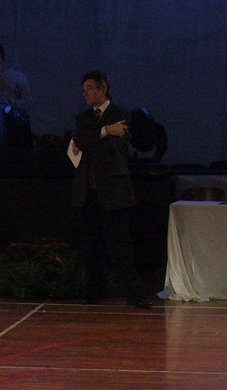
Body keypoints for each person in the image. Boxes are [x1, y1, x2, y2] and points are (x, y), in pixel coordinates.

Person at [71, 70, 151, 309]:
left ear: (102, 89)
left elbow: (115, 146)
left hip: (113, 190)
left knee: (120, 244)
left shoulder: (121, 113)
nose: (85, 94)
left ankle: (133, 293)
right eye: (84, 90)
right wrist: (106, 130)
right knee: (90, 244)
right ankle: (94, 291)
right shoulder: (84, 118)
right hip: (88, 190)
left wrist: (93, 140)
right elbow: (81, 140)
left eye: (89, 88)